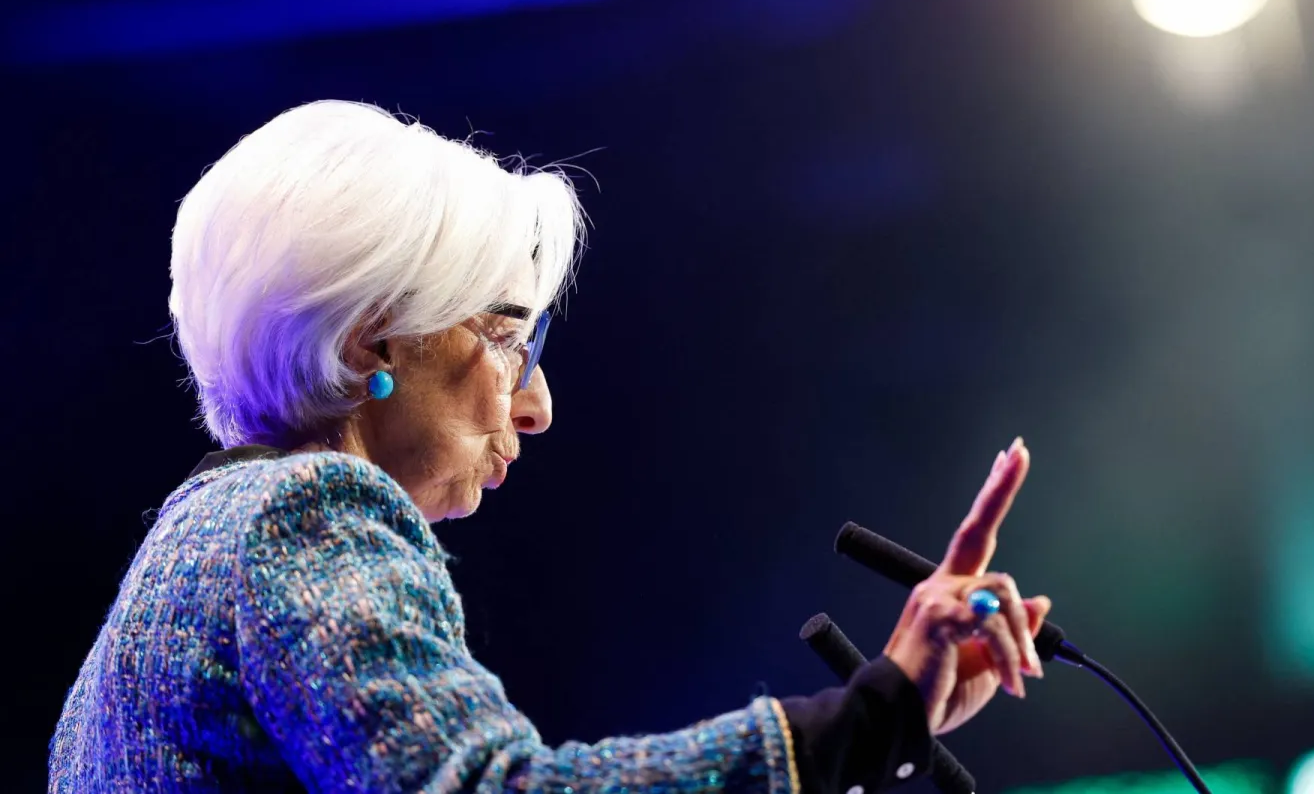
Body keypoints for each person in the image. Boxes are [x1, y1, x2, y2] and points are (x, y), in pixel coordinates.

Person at [48, 100, 1052, 793]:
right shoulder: (307, 517)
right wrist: (866, 720)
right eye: (505, 337)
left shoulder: (186, 558)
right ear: (370, 344)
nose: (537, 406)